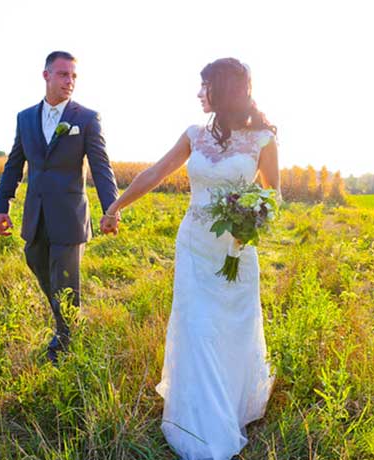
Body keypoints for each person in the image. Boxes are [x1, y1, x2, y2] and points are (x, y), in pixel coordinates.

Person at [103, 58, 279, 459]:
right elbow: (155, 172)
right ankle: (201, 422)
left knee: (231, 330)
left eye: (205, 86)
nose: (199, 94)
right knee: (197, 327)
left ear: (225, 89)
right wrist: (116, 207)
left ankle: (231, 406)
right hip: (195, 248)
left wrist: (250, 220)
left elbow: (274, 195)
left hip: (235, 250)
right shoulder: (194, 135)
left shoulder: (263, 140)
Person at [0, 51, 119, 363]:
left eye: (74, 76)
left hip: (70, 215)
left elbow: (101, 166)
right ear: (46, 75)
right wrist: (1, 205)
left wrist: (111, 208)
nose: (69, 81)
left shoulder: (86, 118)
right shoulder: (25, 118)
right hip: (36, 215)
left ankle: (64, 340)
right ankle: (70, 319)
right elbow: (14, 165)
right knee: (36, 261)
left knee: (64, 278)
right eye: (63, 74)